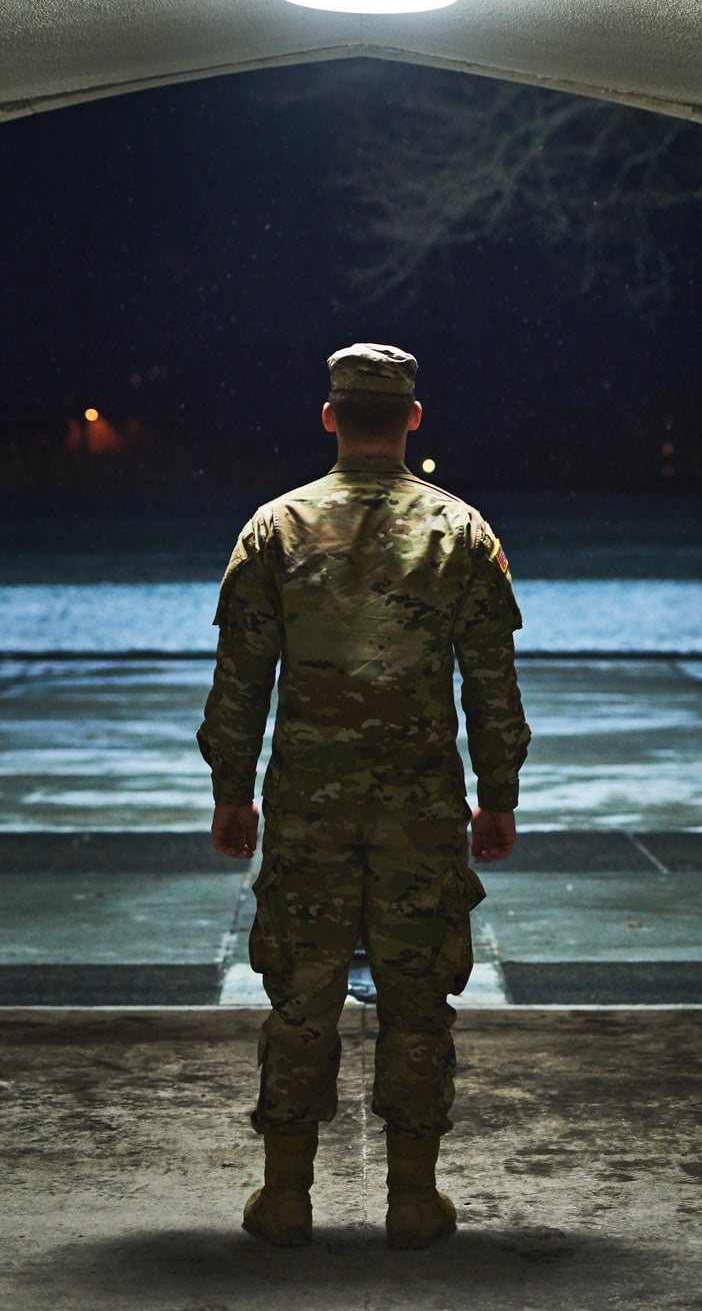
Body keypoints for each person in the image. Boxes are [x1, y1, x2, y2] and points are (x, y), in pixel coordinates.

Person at [197, 342, 530, 1250]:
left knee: (301, 999)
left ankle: (287, 1197)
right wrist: (496, 796)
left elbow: (240, 681)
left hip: (307, 805)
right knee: (418, 1002)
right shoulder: (462, 531)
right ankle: (414, 1201)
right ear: (414, 419)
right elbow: (492, 684)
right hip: (421, 809)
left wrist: (233, 792)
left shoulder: (276, 528)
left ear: (330, 416)